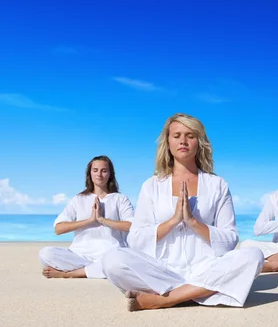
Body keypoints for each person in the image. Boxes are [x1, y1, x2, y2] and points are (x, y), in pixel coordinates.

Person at [102, 113, 264, 311]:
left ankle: (167, 299)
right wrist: (173, 221)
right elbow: (136, 239)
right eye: (177, 135)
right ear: (168, 142)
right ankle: (198, 292)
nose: (183, 141)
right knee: (112, 260)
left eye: (190, 135)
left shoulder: (217, 185)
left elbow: (230, 239)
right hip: (163, 271)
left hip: (206, 268)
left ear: (199, 142)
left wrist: (193, 222)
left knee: (254, 255)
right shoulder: (152, 185)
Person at [39, 156, 133, 279]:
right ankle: (94, 270)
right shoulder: (79, 199)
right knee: (45, 253)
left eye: (104, 171)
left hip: (110, 254)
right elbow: (58, 229)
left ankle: (70, 273)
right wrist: (90, 221)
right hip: (80, 255)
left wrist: (102, 220)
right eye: (95, 170)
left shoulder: (120, 199)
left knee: (120, 261)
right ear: (90, 173)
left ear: (110, 174)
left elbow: (132, 226)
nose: (99, 174)